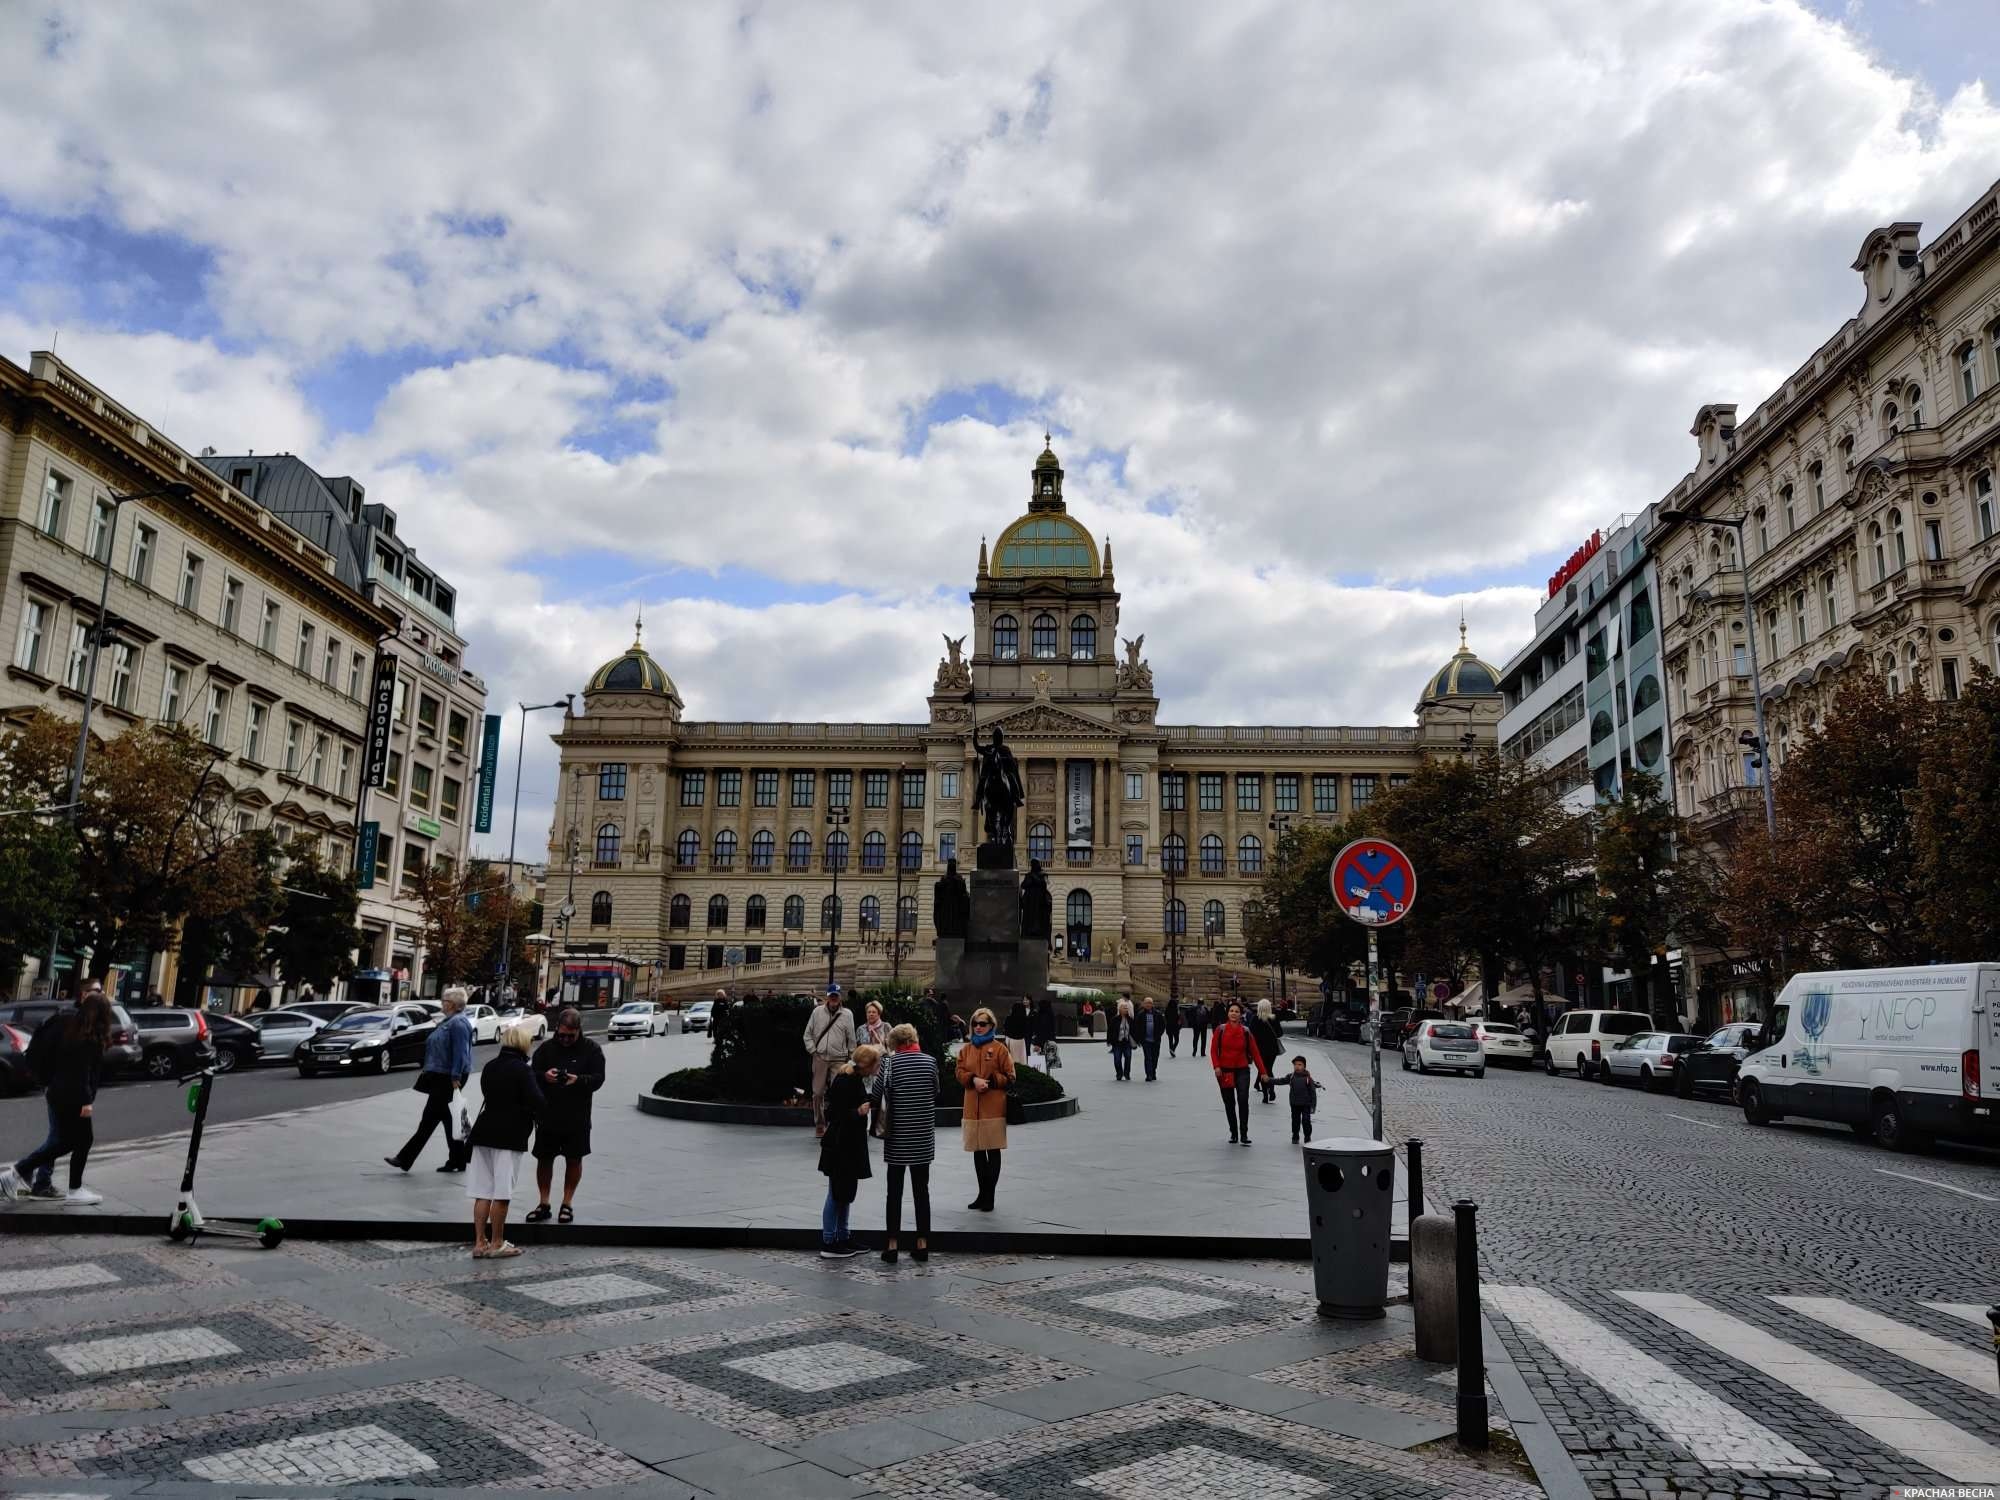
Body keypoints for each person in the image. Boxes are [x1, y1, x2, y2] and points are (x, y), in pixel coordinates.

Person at [0, 988, 113, 1204]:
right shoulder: (89, 1037)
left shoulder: (70, 1029)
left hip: (57, 1092)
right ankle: (69, 1188)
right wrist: (87, 1103)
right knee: (77, 1140)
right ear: (101, 1014)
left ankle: (16, 1174)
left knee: (67, 1141)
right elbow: (82, 1074)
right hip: (75, 1096)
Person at [466, 1023, 546, 1258]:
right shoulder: (522, 1070)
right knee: (502, 1193)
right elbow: (537, 1101)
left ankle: (480, 1243)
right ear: (523, 1043)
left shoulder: (490, 1066)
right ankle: (497, 1243)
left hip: (483, 1133)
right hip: (509, 1136)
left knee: (482, 1191)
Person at [524, 1008, 605, 1225]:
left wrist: (578, 1080)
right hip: (548, 1114)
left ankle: (567, 1203)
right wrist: (544, 1076)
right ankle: (544, 1203)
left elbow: (599, 1078)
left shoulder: (592, 1050)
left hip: (577, 1115)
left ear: (579, 1030)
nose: (565, 1039)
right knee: (544, 1159)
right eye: (561, 1034)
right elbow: (531, 1074)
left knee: (574, 1159)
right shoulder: (547, 1048)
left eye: (570, 1035)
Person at [386, 986, 475, 1174]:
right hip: (441, 1076)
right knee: (449, 1120)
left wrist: (456, 1076)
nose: (442, 1003)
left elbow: (461, 1053)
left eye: (444, 1000)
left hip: (448, 1077)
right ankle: (458, 1160)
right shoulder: (448, 1021)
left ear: (452, 1004)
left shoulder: (458, 1023)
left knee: (429, 1120)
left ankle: (404, 1159)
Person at [878, 1022, 936, 1263]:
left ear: (895, 1044)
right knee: (922, 1191)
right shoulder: (930, 1062)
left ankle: (892, 1245)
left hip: (898, 1136)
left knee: (895, 1192)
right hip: (922, 1136)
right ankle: (922, 1244)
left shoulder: (889, 1064)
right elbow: (936, 1091)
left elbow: (877, 1094)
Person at [818, 1043, 878, 1258]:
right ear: (866, 1064)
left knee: (845, 1192)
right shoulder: (846, 1080)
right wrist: (858, 1112)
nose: (877, 1067)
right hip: (840, 1145)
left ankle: (843, 1236)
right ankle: (829, 1241)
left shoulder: (854, 1078)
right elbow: (835, 1113)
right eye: (875, 1063)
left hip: (848, 1145)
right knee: (836, 1193)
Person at [956, 1007, 1015, 1212]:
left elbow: (1010, 1076)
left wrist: (990, 1080)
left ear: (991, 1026)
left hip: (994, 1107)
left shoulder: (1000, 1049)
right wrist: (972, 1079)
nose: (978, 1027)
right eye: (975, 1023)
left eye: (983, 1024)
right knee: (978, 1153)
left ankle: (989, 1195)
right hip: (972, 1108)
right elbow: (959, 1072)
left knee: (993, 1151)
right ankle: (982, 1193)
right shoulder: (966, 1049)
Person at [1211, 1002, 1270, 1146]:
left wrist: (1263, 1072)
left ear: (1240, 1014)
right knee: (1229, 1103)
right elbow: (1213, 1050)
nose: (1234, 1013)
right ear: (1227, 1013)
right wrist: (1216, 1066)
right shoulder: (1220, 1030)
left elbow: (1255, 1053)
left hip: (1242, 1070)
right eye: (1231, 1011)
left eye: (1237, 1011)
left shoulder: (1246, 1031)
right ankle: (1233, 1133)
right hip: (1225, 1071)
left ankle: (1244, 1133)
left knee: (1243, 1100)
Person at [803, 985, 856, 1138]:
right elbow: (807, 1034)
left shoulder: (847, 1014)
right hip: (820, 1057)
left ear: (840, 997)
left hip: (839, 1059)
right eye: (831, 995)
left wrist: (852, 1060)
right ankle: (820, 1124)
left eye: (836, 996)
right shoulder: (817, 1012)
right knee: (817, 1093)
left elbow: (851, 1039)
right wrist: (813, 1050)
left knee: (838, 1093)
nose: (833, 998)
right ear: (827, 996)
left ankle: (835, 1124)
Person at [1250, 999, 1286, 1104]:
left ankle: (1265, 1094)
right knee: (1269, 1069)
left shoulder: (1255, 1019)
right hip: (1272, 1049)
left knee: (1263, 1071)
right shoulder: (1274, 1019)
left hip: (1259, 1049)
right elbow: (1280, 1033)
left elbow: (1251, 1035)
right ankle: (1272, 1090)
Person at [1283, 1055, 1326, 1143]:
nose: (1297, 1067)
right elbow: (1281, 1081)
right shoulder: (1291, 1076)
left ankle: (1307, 1136)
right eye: (1295, 1065)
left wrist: (1313, 1106)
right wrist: (1269, 1080)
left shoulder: (1308, 1079)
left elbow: (1313, 1094)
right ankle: (1295, 1135)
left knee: (1306, 1121)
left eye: (1300, 1065)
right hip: (1294, 1104)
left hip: (1306, 1104)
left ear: (1304, 1066)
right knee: (1295, 1121)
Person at [1133, 996, 1166, 1082]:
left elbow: (1163, 1026)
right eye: (1146, 1003)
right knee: (1148, 1057)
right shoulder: (1140, 1015)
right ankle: (1149, 1075)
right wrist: (1139, 1039)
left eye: (1150, 1003)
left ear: (1152, 1004)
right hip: (1145, 1040)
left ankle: (1153, 1071)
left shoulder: (1158, 1014)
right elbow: (1137, 1027)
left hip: (1156, 1040)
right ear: (1143, 1004)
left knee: (1155, 1057)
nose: (1148, 1004)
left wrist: (1159, 1035)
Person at [1107, 997, 1134, 1081]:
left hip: (1127, 1042)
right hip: (1117, 1042)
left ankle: (1126, 1073)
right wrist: (1109, 1041)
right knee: (1117, 1059)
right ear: (1120, 1009)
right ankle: (1119, 1073)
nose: (1126, 1009)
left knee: (1128, 1057)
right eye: (1124, 1008)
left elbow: (1134, 1030)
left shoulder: (1130, 1019)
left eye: (1127, 1008)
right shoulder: (1114, 1019)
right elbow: (1110, 1031)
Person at [1003, 999, 1030, 1063]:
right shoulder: (1025, 1020)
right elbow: (1027, 1031)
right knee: (1021, 1059)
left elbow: (1005, 1030)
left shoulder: (1009, 1018)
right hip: (1021, 1041)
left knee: (1011, 1059)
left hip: (1010, 1040)